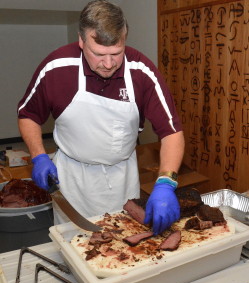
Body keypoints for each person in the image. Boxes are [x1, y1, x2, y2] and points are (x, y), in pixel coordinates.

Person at [17, 0, 185, 235]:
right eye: (98, 54)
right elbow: (28, 114)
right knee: (72, 250)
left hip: (122, 179)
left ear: (124, 39)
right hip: (71, 181)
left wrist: (166, 182)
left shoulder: (141, 72)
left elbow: (171, 132)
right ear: (81, 41)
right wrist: (38, 156)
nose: (108, 64)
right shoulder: (57, 67)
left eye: (116, 53)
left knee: (125, 253)